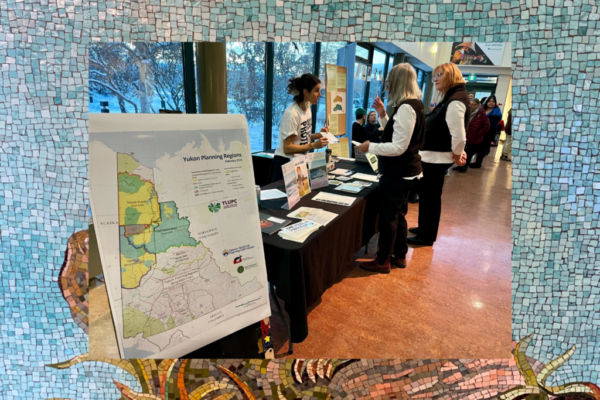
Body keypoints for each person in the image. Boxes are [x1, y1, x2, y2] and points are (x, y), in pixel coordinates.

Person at [355, 63, 425, 273]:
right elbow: (396, 135)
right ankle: (399, 255)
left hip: (398, 174)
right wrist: (384, 115)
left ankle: (383, 259)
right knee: (399, 215)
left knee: (389, 218)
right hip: (408, 172)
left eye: (389, 84)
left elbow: (398, 147)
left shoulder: (406, 108)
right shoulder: (416, 105)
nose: (387, 88)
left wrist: (371, 147)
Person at [407, 62, 469, 247]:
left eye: (439, 74)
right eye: (435, 75)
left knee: (430, 197)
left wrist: (458, 155)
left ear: (451, 76)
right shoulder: (451, 97)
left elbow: (458, 135)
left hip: (436, 158)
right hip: (433, 157)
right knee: (427, 197)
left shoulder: (456, 100)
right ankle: (425, 227)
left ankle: (427, 235)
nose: (435, 79)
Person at [271, 74, 329, 182]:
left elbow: (301, 138)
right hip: (286, 163)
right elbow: (287, 147)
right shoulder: (292, 114)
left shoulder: (307, 106)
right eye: (316, 90)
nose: (320, 94)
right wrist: (312, 145)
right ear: (305, 92)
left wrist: (317, 135)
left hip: (299, 161)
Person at [454, 98, 489, 172]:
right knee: (462, 152)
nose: (471, 106)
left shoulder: (481, 113)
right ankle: (459, 165)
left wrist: (478, 133)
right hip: (464, 135)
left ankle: (464, 166)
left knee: (468, 153)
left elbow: (487, 126)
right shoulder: (466, 112)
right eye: (470, 104)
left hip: (474, 137)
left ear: (477, 105)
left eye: (474, 105)